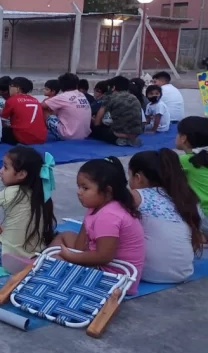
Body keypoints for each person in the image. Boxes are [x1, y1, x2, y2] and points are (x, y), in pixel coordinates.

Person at [51, 157, 144, 295]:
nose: (79, 192)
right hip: (105, 268)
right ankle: (35, 264)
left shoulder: (109, 216)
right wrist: (73, 253)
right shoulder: (99, 206)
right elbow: (80, 246)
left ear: (107, 191)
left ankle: (36, 268)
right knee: (65, 236)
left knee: (57, 259)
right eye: (79, 186)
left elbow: (104, 256)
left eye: (85, 188)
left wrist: (70, 256)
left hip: (116, 280)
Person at [128, 149, 202, 283]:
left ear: (138, 178)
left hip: (146, 272)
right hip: (184, 272)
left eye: (130, 176)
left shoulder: (137, 196)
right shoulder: (182, 197)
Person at [175, 116, 208, 235]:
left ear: (183, 138)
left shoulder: (186, 161)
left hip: (205, 220)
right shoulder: (203, 157)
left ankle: (197, 233)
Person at [92, 76, 144, 146]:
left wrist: (94, 122)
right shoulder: (134, 98)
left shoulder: (110, 97)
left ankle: (120, 140)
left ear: (113, 87)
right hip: (135, 134)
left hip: (118, 133)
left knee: (95, 130)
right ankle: (129, 139)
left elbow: (97, 121)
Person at [42, 73, 91, 141]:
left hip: (69, 136)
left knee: (46, 110)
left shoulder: (63, 97)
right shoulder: (81, 95)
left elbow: (41, 105)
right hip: (84, 134)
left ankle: (42, 132)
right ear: (77, 85)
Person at [1, 77, 46, 146]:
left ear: (18, 88)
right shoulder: (35, 100)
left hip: (22, 137)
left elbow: (2, 120)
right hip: (41, 137)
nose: (9, 89)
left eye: (10, 87)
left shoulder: (11, 100)